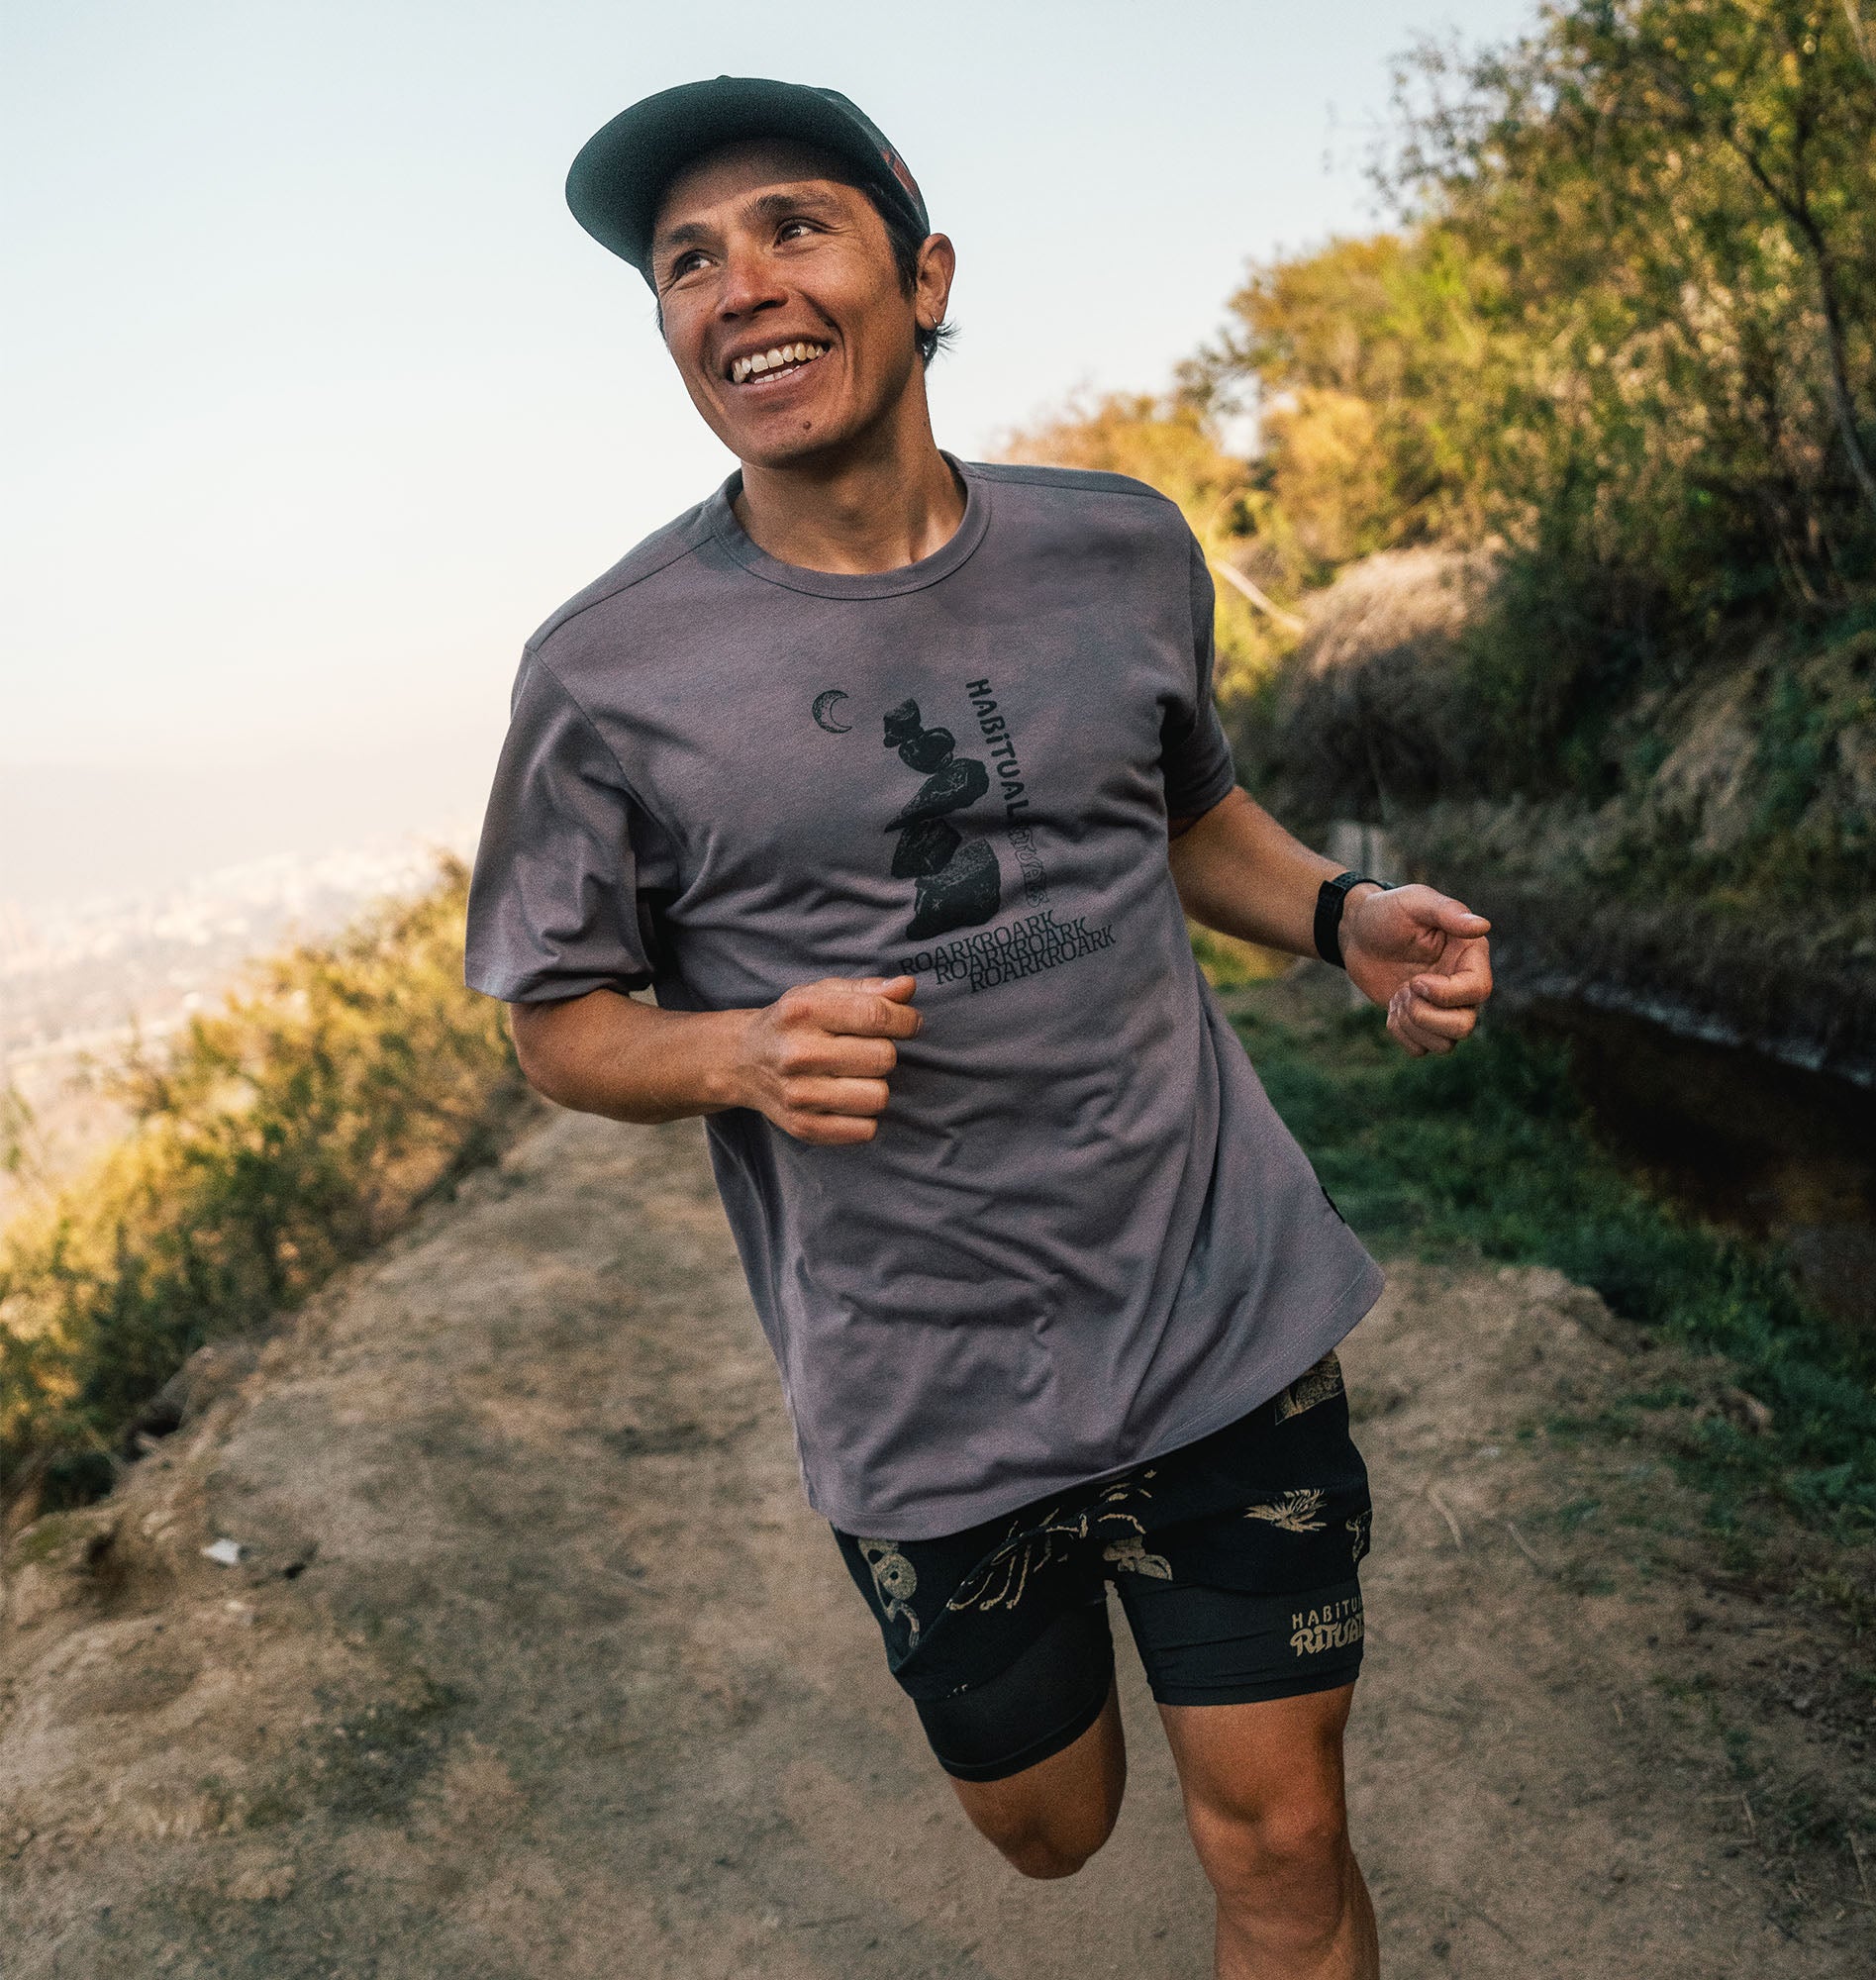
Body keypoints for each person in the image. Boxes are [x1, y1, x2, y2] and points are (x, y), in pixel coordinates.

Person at [464, 75, 1493, 1980]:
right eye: (688, 260)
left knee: (1281, 1830)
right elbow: (556, 1020)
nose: (738, 282)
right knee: (1052, 1828)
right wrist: (736, 1054)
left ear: (922, 274)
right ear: (671, 331)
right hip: (924, 1382)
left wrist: (1339, 913)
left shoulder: (1122, 552)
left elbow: (1178, 815)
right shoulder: (604, 675)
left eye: (794, 226)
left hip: (1214, 1300)